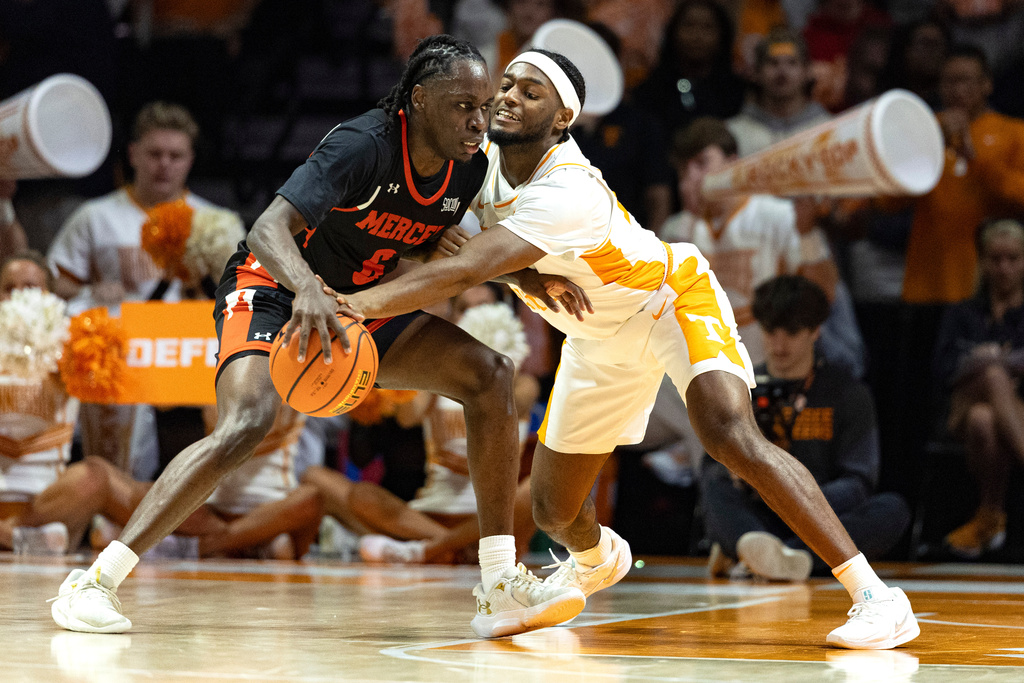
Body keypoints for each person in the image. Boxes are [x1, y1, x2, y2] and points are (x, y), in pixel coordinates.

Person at [327, 47, 920, 649]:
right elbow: (463, 250)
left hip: (666, 301)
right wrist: (525, 277)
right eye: (507, 84)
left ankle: (876, 597)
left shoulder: (569, 189)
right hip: (592, 333)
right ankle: (598, 558)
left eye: (531, 93)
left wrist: (354, 305)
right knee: (555, 512)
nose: (508, 96)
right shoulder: (479, 163)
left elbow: (464, 268)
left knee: (727, 433)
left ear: (562, 120)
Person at [49, 35, 586, 639]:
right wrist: (304, 286)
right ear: (417, 101)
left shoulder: (472, 163)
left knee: (490, 376)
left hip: (355, 304)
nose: (479, 119)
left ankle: (498, 586)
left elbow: (457, 242)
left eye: (485, 105)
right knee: (247, 422)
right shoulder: (362, 145)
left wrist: (529, 275)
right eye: (464, 104)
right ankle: (94, 582)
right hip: (275, 288)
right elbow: (267, 228)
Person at [47, 102, 234, 472]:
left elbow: (242, 297)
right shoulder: (96, 217)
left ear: (190, 160)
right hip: (123, 359)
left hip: (191, 351)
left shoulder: (215, 222)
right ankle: (113, 503)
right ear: (133, 154)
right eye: (154, 154)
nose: (164, 164)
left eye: (175, 155)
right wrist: (90, 294)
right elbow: (56, 291)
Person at [306, 286, 539, 564]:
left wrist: (479, 463)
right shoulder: (441, 377)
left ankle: (428, 551)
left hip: (494, 515)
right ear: (454, 316)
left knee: (537, 487)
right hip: (433, 510)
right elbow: (407, 417)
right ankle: (455, 548)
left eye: (485, 307)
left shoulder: (524, 383)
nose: (477, 316)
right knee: (362, 495)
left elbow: (504, 403)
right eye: (466, 308)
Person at [701, 275, 910, 581]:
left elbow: (859, 479)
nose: (779, 344)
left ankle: (760, 554)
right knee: (715, 486)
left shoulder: (848, 392)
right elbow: (714, 466)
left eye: (792, 332)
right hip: (759, 509)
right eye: (771, 331)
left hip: (819, 513)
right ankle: (771, 553)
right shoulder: (740, 385)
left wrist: (797, 501)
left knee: (892, 509)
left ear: (816, 331)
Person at [1, 405, 323, 560]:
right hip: (211, 508)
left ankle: (208, 545)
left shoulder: (301, 357)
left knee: (312, 496)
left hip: (269, 509)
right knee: (101, 474)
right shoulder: (224, 364)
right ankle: (208, 543)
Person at [934, 218, 1024, 558]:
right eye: (995, 259)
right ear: (983, 262)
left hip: (1014, 408)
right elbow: (941, 371)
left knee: (985, 419)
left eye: (1013, 259)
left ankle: (989, 516)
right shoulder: (963, 312)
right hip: (959, 405)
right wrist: (986, 362)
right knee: (991, 376)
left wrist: (995, 359)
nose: (1003, 268)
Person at [726, 28, 832, 158]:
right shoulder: (733, 133)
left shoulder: (829, 129)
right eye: (773, 63)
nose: (782, 71)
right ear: (755, 73)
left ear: (807, 71)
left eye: (792, 62)